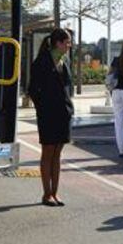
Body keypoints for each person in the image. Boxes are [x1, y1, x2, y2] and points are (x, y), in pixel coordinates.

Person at [28, 28, 73, 207]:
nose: (69, 46)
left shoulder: (65, 61)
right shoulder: (42, 62)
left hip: (64, 113)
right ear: (58, 43)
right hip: (48, 114)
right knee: (48, 152)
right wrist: (43, 108)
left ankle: (55, 192)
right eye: (67, 42)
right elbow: (32, 90)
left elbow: (67, 87)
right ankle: (46, 194)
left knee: (58, 153)